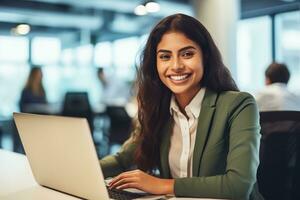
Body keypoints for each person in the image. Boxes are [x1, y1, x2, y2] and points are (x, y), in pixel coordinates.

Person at [100, 13, 262, 200]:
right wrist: (78, 171)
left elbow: (238, 185)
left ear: (205, 57)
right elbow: (121, 159)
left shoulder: (239, 105)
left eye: (187, 54)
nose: (176, 66)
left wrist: (160, 184)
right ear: (156, 63)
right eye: (165, 56)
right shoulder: (158, 109)